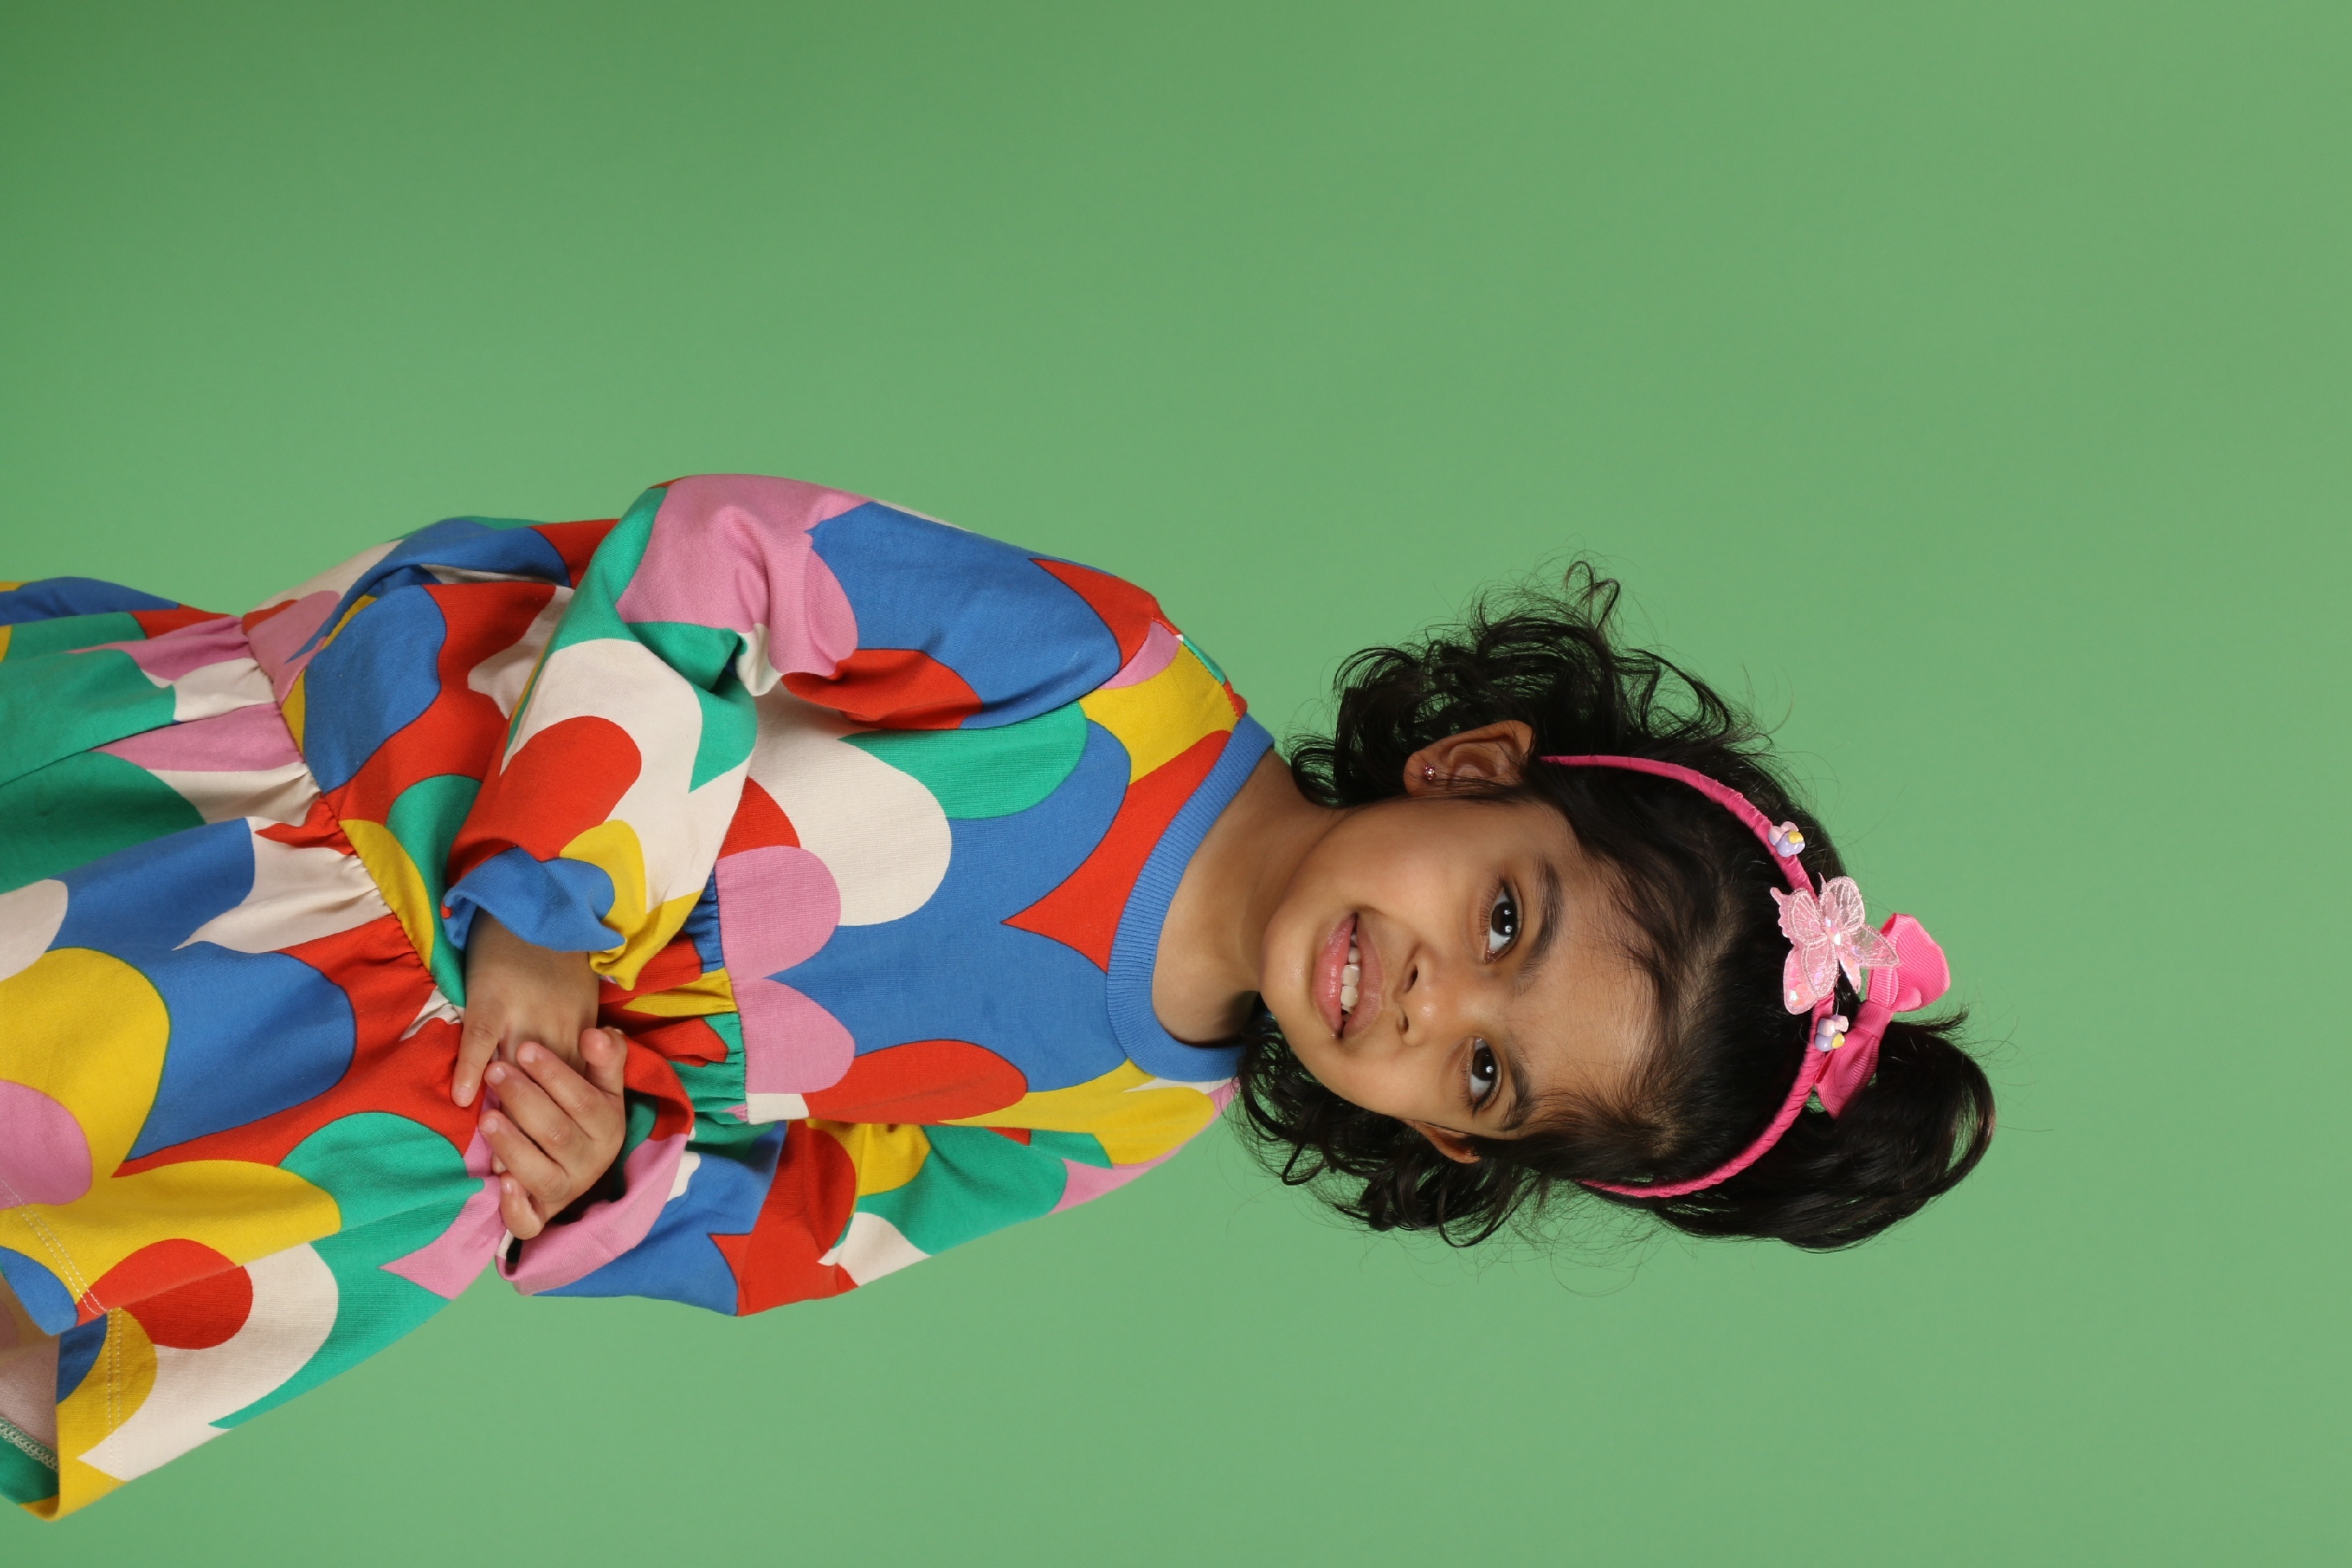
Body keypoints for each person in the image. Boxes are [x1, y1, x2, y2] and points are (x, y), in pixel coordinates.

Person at [0, 474, 1992, 1519]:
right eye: (1499, 920)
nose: (1418, 1004)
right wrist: (550, 908)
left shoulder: (1130, 1115)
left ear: (1442, 1143)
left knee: (271, 1229)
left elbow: (819, 1226)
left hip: (429, 1096)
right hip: (401, 831)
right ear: (1470, 769)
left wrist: (609, 1171)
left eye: (1482, 1073)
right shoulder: (1105, 676)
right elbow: (720, 555)